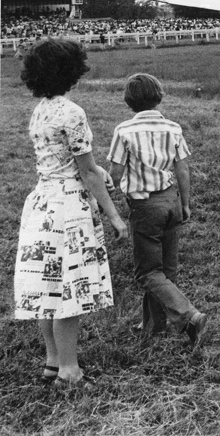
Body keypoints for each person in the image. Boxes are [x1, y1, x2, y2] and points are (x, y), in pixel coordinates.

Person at [14, 38, 127, 385]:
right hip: (68, 207)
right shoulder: (72, 112)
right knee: (69, 289)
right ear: (71, 71)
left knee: (48, 288)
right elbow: (88, 171)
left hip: (42, 202)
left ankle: (53, 362)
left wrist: (97, 171)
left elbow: (66, 161)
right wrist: (115, 216)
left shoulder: (41, 110)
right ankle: (69, 370)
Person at [108, 73, 210, 345]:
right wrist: (186, 203)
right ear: (159, 96)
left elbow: (115, 173)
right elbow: (183, 168)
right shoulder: (173, 128)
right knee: (166, 268)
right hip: (171, 198)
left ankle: (189, 314)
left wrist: (108, 198)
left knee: (147, 272)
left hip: (145, 204)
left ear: (129, 101)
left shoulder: (124, 131)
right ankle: (154, 326)